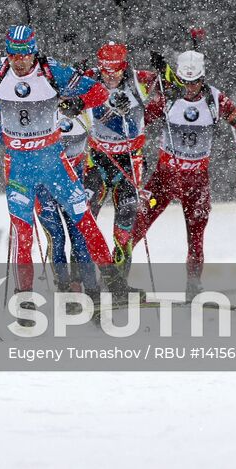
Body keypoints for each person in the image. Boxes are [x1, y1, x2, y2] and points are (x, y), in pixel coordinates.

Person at [0, 26, 111, 293]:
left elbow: (99, 92)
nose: (18, 61)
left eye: (23, 55)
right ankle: (26, 296)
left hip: (54, 163)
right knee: (27, 234)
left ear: (33, 52)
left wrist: (79, 104)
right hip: (21, 167)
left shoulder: (52, 71)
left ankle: (114, 284)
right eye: (12, 55)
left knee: (83, 223)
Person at [130, 49, 236, 295]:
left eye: (196, 81)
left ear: (203, 78)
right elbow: (136, 125)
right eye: (185, 82)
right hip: (163, 179)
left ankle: (193, 287)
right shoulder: (166, 98)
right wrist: (136, 153)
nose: (190, 87)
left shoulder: (215, 100)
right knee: (136, 225)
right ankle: (114, 278)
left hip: (196, 183)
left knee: (196, 237)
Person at [83, 42, 160, 295]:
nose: (111, 75)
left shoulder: (139, 81)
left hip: (130, 160)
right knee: (85, 218)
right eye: (106, 70)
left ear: (124, 66)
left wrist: (165, 70)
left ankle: (118, 285)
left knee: (126, 221)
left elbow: (179, 86)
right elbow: (60, 93)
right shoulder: (89, 80)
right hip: (98, 159)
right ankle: (85, 283)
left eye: (116, 69)